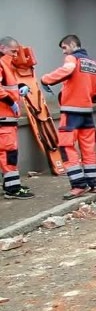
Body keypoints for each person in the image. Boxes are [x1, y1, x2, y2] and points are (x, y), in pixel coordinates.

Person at [41, 34, 96, 200]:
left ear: (72, 45)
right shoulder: (93, 64)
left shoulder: (72, 59)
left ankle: (78, 185)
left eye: (64, 48)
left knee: (66, 147)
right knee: (88, 148)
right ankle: (93, 183)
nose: (64, 52)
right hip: (87, 112)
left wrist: (46, 80)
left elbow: (68, 70)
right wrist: (88, 95)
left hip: (71, 113)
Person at [0, 36, 34, 199]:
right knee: (8, 153)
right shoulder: (2, 65)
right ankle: (12, 190)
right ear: (2, 48)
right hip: (4, 117)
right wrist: (11, 102)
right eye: (12, 51)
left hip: (7, 117)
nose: (15, 55)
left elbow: (9, 85)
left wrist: (22, 86)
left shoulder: (7, 66)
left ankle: (11, 185)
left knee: (9, 153)